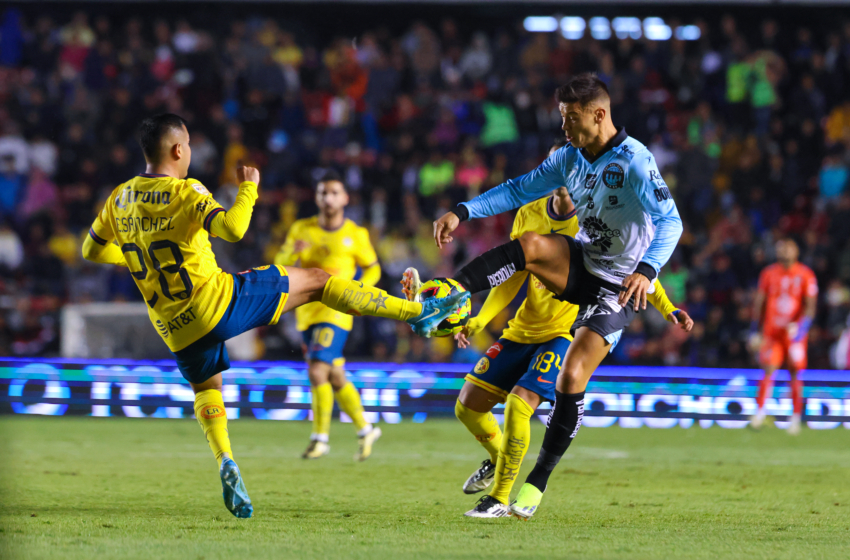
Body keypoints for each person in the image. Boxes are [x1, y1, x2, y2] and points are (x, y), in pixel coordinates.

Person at [81, 114, 469, 519]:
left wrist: (133, 257)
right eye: (190, 145)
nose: (191, 152)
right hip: (218, 301)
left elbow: (91, 252)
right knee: (320, 280)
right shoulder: (186, 189)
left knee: (207, 389)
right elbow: (233, 229)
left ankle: (225, 461)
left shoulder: (118, 198)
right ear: (179, 150)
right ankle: (417, 312)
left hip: (174, 326)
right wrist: (249, 188)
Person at [425, 73, 683, 519]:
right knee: (531, 246)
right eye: (562, 117)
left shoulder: (636, 161)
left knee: (570, 379)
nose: (564, 127)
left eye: (571, 118)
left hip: (616, 285)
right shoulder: (569, 158)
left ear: (599, 114)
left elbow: (671, 221)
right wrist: (461, 212)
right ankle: (453, 289)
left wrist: (646, 270)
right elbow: (517, 189)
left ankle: (536, 483)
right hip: (584, 263)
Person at [275, 172, 382, 461]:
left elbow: (373, 268)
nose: (328, 198)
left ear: (345, 198)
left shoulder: (356, 234)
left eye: (334, 192)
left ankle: (320, 438)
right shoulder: (302, 228)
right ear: (317, 197)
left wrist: (359, 290)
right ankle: (365, 428)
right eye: (323, 192)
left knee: (317, 370)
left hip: (337, 312)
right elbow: (279, 264)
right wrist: (290, 252)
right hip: (307, 312)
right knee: (334, 374)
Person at [749, 238, 818, 435]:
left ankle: (795, 418)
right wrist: (755, 330)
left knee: (795, 372)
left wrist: (801, 327)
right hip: (772, 333)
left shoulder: (806, 274)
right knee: (768, 369)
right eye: (781, 247)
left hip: (794, 334)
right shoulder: (769, 273)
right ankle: (760, 413)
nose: (784, 250)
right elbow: (760, 303)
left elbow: (811, 307)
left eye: (788, 247)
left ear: (796, 251)